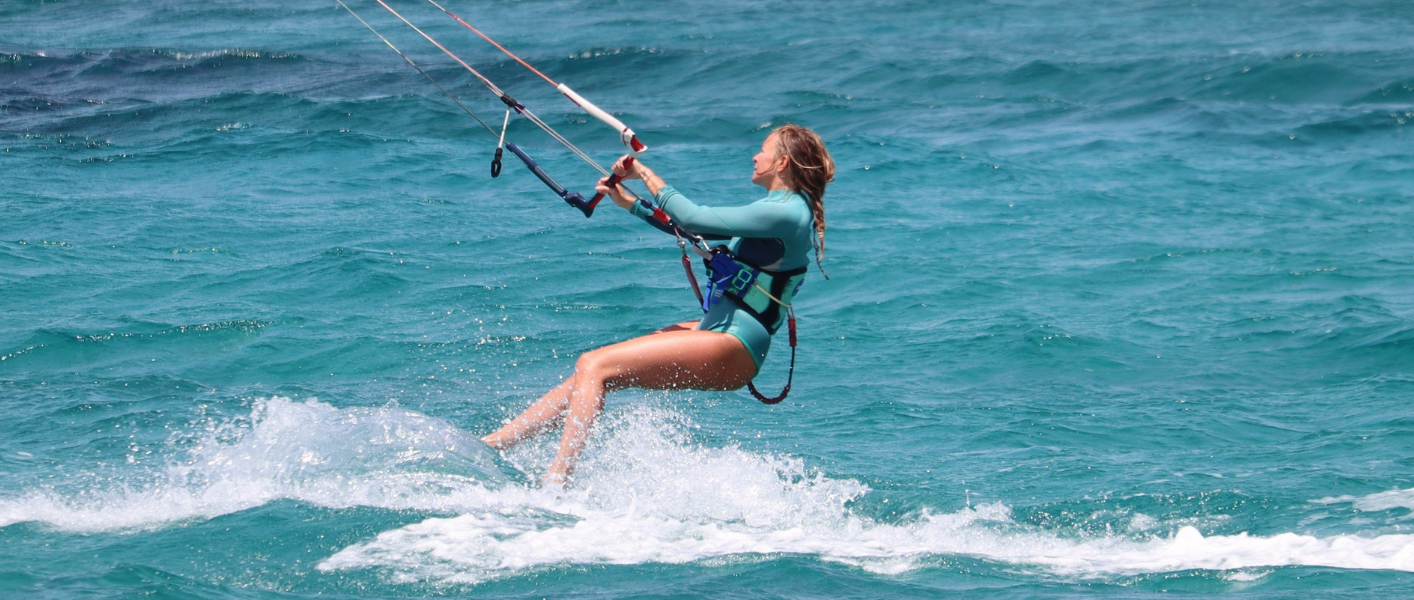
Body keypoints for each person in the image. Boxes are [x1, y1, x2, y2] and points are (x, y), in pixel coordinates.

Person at [481, 123, 834, 486]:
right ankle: (494, 445)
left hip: (736, 343)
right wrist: (631, 204)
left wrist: (644, 173)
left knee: (594, 363)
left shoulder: (790, 212)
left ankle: (557, 481)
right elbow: (692, 231)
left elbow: (694, 217)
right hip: (722, 333)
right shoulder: (778, 210)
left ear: (782, 163)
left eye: (763, 150)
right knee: (593, 373)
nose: (754, 155)